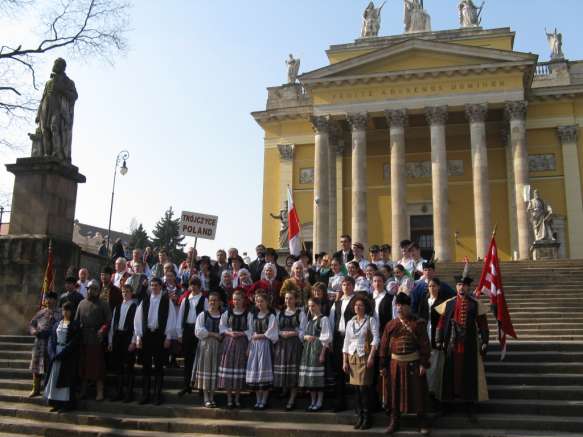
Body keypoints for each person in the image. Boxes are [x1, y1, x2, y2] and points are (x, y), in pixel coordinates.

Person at [435, 275, 489, 418]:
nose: (461, 287)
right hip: (451, 344)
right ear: (456, 286)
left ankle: (469, 404)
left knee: (469, 373)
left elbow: (483, 324)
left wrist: (485, 341)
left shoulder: (475, 304)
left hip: (469, 344)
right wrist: (438, 339)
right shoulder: (449, 303)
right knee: (449, 373)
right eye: (459, 285)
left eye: (464, 285)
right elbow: (441, 323)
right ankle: (447, 404)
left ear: (468, 287)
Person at [379, 293, 431, 435]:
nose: (400, 308)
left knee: (418, 394)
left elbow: (425, 345)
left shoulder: (418, 324)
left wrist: (423, 364)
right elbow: (383, 346)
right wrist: (383, 365)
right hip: (395, 365)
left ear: (409, 307)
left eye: (403, 306)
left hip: (414, 364)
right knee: (394, 393)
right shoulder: (390, 325)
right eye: (398, 305)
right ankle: (394, 422)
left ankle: (422, 423)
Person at [134, 277, 177, 405]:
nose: (153, 287)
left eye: (156, 285)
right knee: (146, 367)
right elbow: (138, 319)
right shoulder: (145, 300)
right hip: (147, 335)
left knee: (159, 367)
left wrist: (168, 336)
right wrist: (138, 336)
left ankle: (157, 395)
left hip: (160, 336)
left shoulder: (166, 301)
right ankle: (145, 394)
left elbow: (171, 318)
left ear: (161, 286)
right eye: (151, 285)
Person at [342, 294, 380, 430]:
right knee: (356, 389)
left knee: (364, 388)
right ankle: (359, 416)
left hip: (365, 356)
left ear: (366, 307)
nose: (358, 307)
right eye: (356, 305)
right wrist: (344, 361)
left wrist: (371, 356)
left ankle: (367, 417)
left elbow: (376, 339)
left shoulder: (371, 320)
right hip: (352, 357)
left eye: (361, 305)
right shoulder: (350, 322)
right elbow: (346, 342)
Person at [75, 279, 111, 401]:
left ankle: (99, 392)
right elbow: (76, 321)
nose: (92, 291)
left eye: (95, 289)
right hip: (83, 338)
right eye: (90, 289)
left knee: (97, 368)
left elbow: (108, 321)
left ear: (98, 291)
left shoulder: (103, 304)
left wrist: (102, 330)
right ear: (87, 290)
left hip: (96, 339)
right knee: (83, 367)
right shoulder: (81, 304)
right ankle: (83, 391)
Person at [218, 289, 253, 408]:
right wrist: (229, 333)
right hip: (229, 343)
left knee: (238, 370)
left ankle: (237, 398)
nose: (236, 301)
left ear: (243, 300)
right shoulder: (227, 313)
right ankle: (229, 398)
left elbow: (251, 330)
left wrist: (242, 333)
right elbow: (222, 327)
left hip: (241, 343)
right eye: (234, 299)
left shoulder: (248, 314)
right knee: (228, 369)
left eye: (238, 299)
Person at [45, 302, 81, 412]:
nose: (65, 312)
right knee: (54, 378)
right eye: (63, 310)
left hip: (66, 356)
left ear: (71, 311)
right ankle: (55, 402)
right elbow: (51, 339)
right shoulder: (57, 324)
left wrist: (63, 353)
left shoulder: (74, 325)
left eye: (67, 310)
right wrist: (52, 353)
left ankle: (66, 404)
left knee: (65, 380)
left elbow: (74, 341)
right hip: (56, 354)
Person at [274, 290, 306, 410]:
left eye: (291, 298)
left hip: (294, 344)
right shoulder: (280, 314)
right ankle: (284, 392)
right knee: (284, 369)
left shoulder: (300, 313)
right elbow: (275, 329)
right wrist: (281, 333)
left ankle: (292, 399)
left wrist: (293, 333)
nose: (288, 301)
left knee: (293, 371)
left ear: (295, 300)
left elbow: (303, 330)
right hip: (282, 344)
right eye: (286, 298)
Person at [246, 293, 279, 410]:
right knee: (255, 371)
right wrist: (249, 346)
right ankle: (258, 399)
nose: (259, 303)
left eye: (261, 301)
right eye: (257, 301)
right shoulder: (253, 315)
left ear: (267, 302)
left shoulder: (271, 316)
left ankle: (264, 400)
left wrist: (259, 336)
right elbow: (250, 331)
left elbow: (272, 332)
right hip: (255, 346)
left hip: (265, 346)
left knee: (263, 370)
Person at [417, 277, 448, 403]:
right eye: (430, 286)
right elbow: (419, 317)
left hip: (436, 335)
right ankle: (425, 392)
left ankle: (434, 392)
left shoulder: (442, 302)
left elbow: (445, 321)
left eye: (434, 286)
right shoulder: (424, 301)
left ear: (438, 287)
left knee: (435, 365)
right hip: (425, 333)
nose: (432, 288)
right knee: (425, 362)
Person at [176, 276, 208, 396]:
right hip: (188, 330)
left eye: (195, 285)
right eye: (191, 285)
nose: (193, 287)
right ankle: (186, 385)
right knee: (188, 359)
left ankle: (200, 387)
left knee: (199, 359)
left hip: (199, 331)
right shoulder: (186, 300)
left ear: (199, 286)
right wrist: (179, 333)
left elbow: (206, 316)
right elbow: (180, 316)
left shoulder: (204, 300)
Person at [298, 297, 331, 412]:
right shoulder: (310, 320)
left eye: (313, 306)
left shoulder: (324, 319)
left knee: (318, 377)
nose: (311, 308)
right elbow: (304, 334)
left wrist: (322, 354)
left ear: (319, 306)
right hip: (308, 350)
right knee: (311, 377)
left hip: (318, 349)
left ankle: (319, 401)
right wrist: (305, 337)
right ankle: (312, 401)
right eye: (309, 306)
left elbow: (326, 338)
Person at [328, 276, 356, 411]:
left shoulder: (357, 301)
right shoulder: (337, 303)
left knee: (354, 370)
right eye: (344, 284)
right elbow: (332, 322)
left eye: (349, 284)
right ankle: (340, 403)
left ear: (353, 286)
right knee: (339, 372)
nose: (346, 287)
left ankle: (358, 405)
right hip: (339, 338)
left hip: (353, 340)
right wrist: (332, 341)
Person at [192, 292, 223, 408]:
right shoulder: (203, 315)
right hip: (205, 346)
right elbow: (198, 331)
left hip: (218, 347)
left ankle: (212, 396)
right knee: (206, 370)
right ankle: (206, 397)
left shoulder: (222, 315)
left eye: (215, 300)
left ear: (219, 302)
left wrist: (215, 335)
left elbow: (224, 331)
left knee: (214, 370)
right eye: (210, 300)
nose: (212, 302)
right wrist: (212, 334)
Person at [108, 283, 138, 402]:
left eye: (127, 292)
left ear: (131, 293)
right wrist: (110, 341)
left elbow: (136, 326)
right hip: (118, 337)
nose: (125, 294)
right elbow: (113, 326)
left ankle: (129, 394)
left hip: (128, 337)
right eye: (123, 292)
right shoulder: (118, 307)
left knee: (129, 367)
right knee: (118, 368)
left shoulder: (135, 307)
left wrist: (133, 341)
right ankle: (119, 392)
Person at [28, 292, 61, 398]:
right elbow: (32, 324)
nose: (49, 301)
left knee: (49, 367)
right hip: (39, 343)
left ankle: (48, 390)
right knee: (36, 366)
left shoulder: (59, 313)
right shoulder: (40, 312)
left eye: (51, 299)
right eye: (47, 299)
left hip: (51, 343)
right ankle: (35, 388)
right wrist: (33, 331)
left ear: (55, 300)